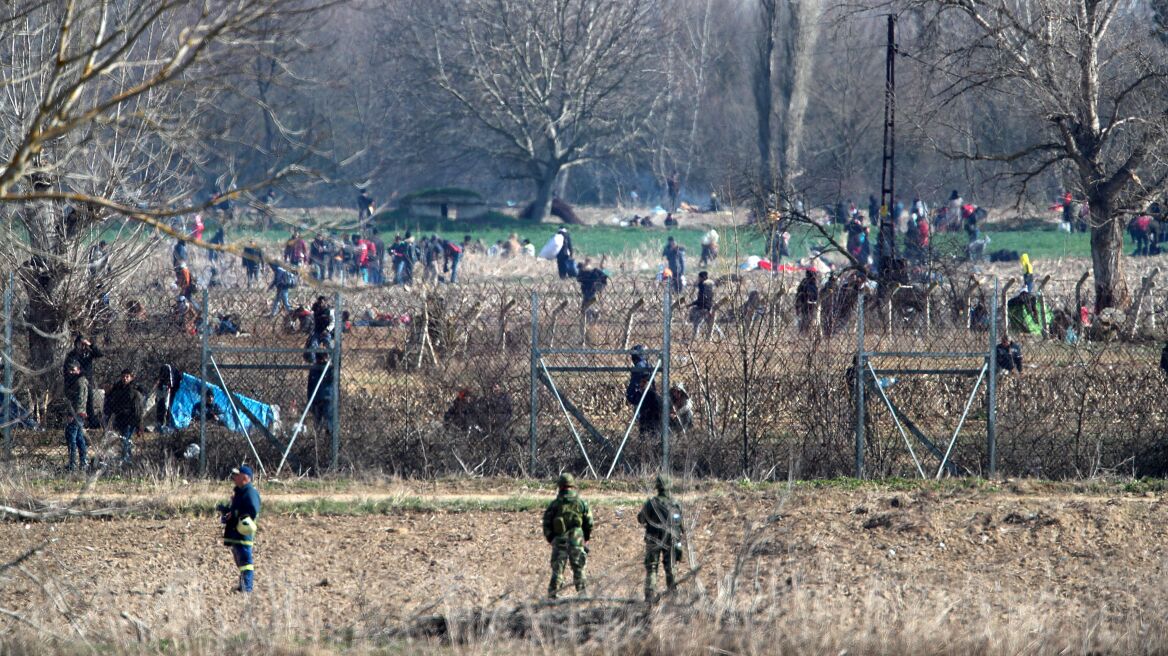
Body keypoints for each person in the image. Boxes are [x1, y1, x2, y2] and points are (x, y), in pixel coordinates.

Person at [542, 473, 593, 598]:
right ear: (572, 486)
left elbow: (546, 523)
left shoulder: (555, 505)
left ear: (559, 487)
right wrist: (585, 538)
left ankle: (553, 595)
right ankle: (582, 595)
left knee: (558, 569)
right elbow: (589, 523)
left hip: (559, 540)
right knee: (579, 568)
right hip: (577, 539)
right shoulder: (581, 503)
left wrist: (551, 538)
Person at [638, 475, 686, 601]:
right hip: (672, 539)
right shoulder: (675, 504)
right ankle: (673, 597)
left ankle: (650, 596)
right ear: (670, 486)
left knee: (652, 568)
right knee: (671, 568)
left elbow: (641, 519)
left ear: (657, 487)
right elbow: (682, 525)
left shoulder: (651, 503)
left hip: (653, 539)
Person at [217, 465, 261, 593]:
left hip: (243, 535)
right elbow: (237, 510)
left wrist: (235, 513)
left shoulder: (250, 492)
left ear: (245, 478)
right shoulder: (240, 492)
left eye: (237, 475)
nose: (234, 477)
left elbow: (252, 510)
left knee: (246, 562)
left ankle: (247, 588)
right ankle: (243, 586)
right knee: (240, 561)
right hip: (236, 534)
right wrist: (226, 511)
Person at [103, 368, 143, 466]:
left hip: (130, 419)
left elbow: (138, 410)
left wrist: (139, 425)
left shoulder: (134, 391)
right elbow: (111, 402)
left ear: (131, 377)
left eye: (127, 377)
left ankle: (126, 459)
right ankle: (127, 459)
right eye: (123, 377)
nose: (125, 379)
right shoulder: (118, 388)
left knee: (125, 440)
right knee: (124, 440)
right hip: (120, 419)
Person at [64, 335, 103, 425]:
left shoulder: (88, 353)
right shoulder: (72, 355)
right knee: (77, 402)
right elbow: (71, 369)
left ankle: (91, 421)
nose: (81, 346)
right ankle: (75, 419)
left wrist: (90, 344)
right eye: (79, 344)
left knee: (89, 402)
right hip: (76, 382)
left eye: (83, 344)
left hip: (88, 381)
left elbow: (99, 354)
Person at [63, 362, 89, 471]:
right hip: (79, 412)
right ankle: (83, 462)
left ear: (78, 369)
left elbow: (79, 400)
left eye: (73, 370)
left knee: (71, 437)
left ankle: (73, 463)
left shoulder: (80, 382)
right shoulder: (76, 381)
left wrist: (72, 414)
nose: (71, 372)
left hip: (77, 414)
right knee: (79, 438)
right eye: (70, 370)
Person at [307, 351, 335, 439]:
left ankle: (329, 439)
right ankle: (317, 442)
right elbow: (310, 386)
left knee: (329, 424)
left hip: (327, 399)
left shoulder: (330, 369)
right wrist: (310, 402)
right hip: (316, 399)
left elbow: (333, 379)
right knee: (317, 424)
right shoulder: (314, 369)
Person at [154, 364, 181, 433]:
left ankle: (166, 424)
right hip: (164, 389)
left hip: (169, 390)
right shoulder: (164, 370)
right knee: (162, 405)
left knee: (167, 406)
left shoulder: (171, 372)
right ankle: (161, 423)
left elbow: (171, 383)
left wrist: (168, 387)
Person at [688, 271, 715, 339]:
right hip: (710, 307)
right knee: (710, 325)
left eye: (699, 278)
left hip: (703, 307)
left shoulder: (702, 285)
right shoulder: (711, 284)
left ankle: (694, 337)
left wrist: (691, 304)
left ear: (703, 277)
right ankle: (709, 338)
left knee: (696, 321)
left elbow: (701, 299)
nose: (698, 279)